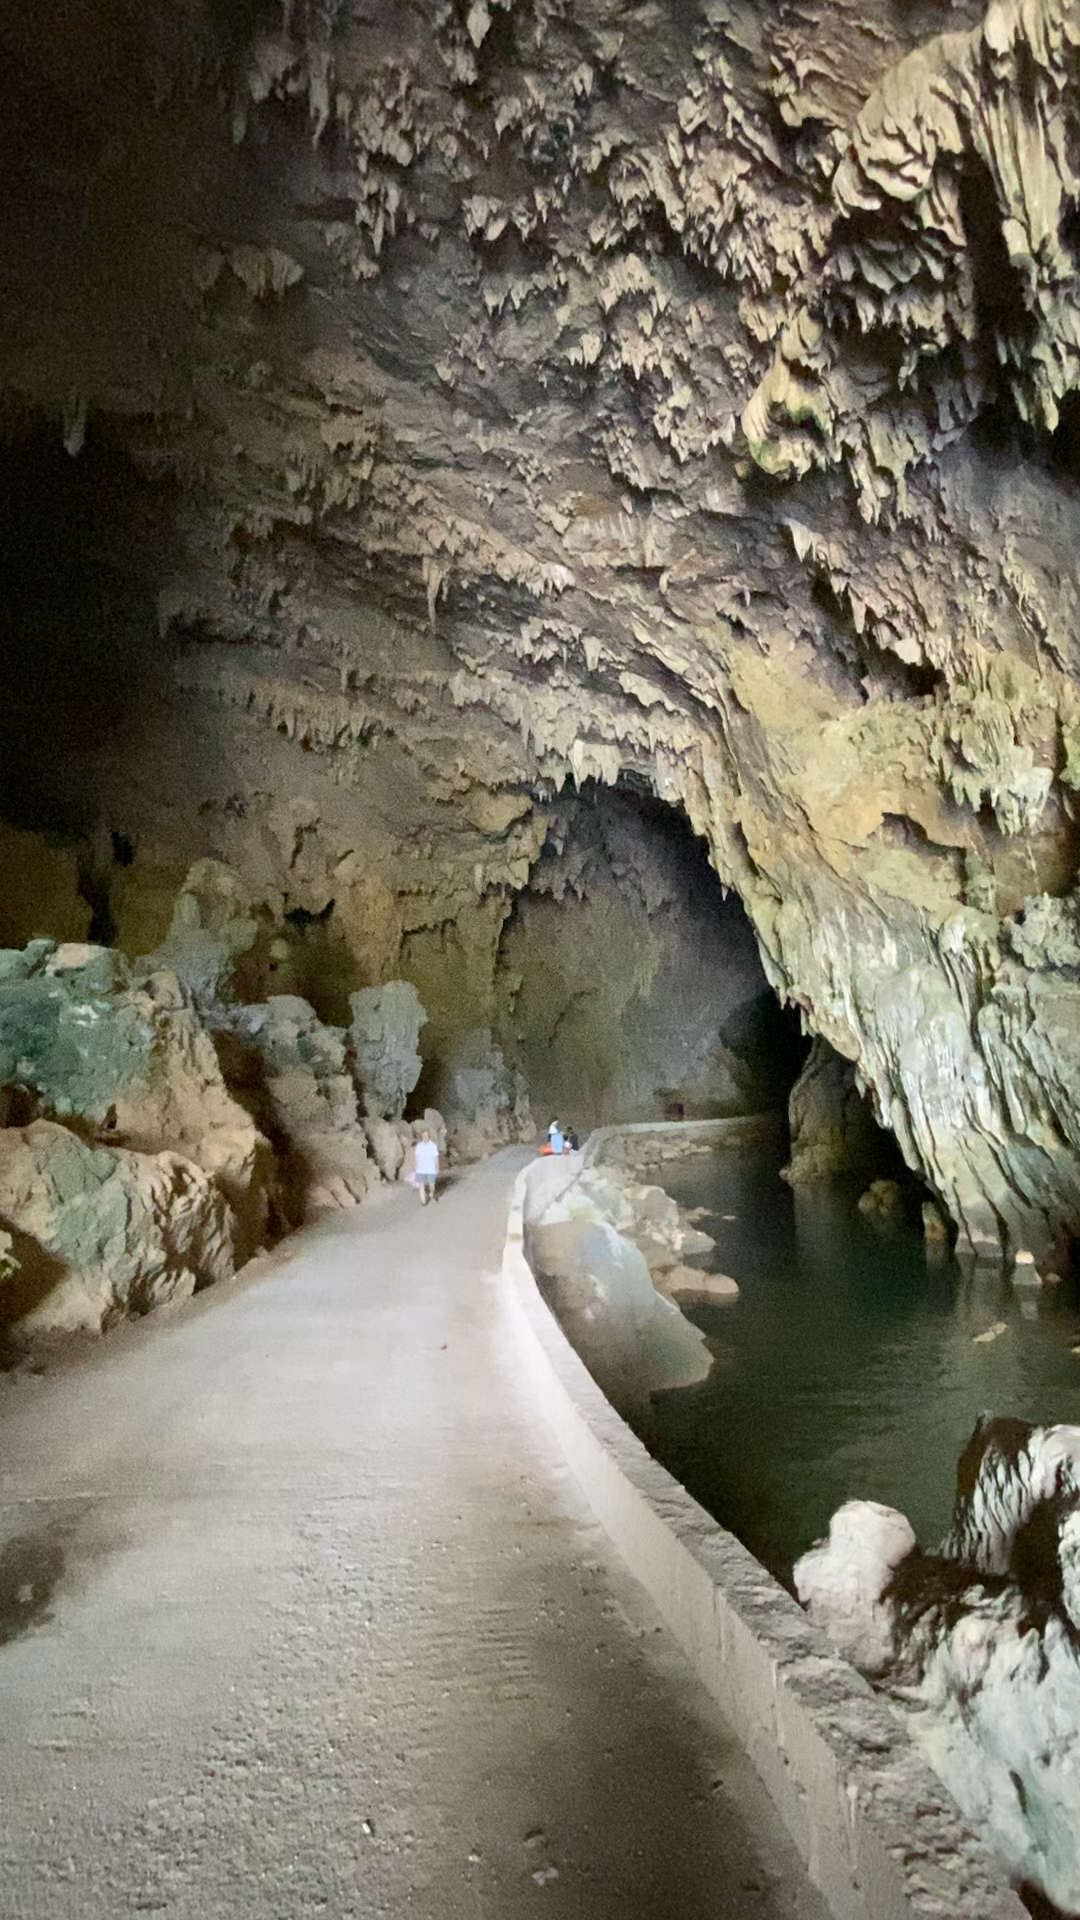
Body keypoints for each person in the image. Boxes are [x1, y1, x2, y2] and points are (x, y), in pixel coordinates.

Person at [414, 1127, 439, 1204]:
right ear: (421, 1137)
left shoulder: (433, 1146)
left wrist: (437, 1167)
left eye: (426, 1135)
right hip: (421, 1169)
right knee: (421, 1186)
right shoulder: (419, 1146)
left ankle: (431, 1193)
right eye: (423, 1135)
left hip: (431, 1169)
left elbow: (436, 1157)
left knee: (432, 1185)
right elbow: (417, 1157)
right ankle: (423, 1202)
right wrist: (416, 1167)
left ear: (429, 1136)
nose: (425, 1137)